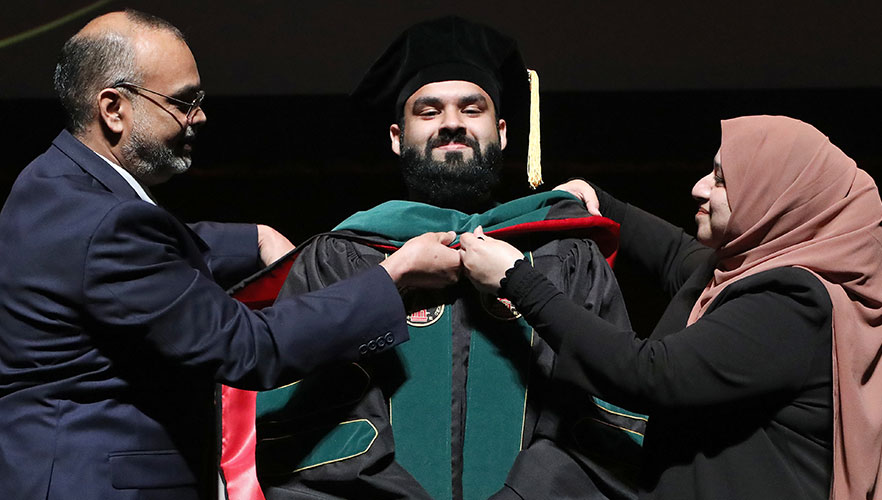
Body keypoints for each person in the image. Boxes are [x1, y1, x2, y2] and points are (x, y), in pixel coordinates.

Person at [0, 10, 460, 500]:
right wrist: (393, 276)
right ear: (113, 108)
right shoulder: (110, 226)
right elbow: (248, 348)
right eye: (183, 101)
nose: (199, 116)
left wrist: (254, 236)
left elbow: (140, 248)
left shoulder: (49, 183)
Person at [237, 16, 643, 500]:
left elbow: (608, 412)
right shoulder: (344, 257)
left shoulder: (566, 256)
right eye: (428, 111)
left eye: (472, 108)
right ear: (396, 137)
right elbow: (309, 429)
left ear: (504, 132)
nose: (452, 123)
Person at [459, 115, 882, 499]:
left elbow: (652, 373)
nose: (697, 187)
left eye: (720, 179)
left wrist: (517, 279)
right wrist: (598, 199)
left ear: (776, 200)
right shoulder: (739, 271)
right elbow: (675, 255)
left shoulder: (792, 303)